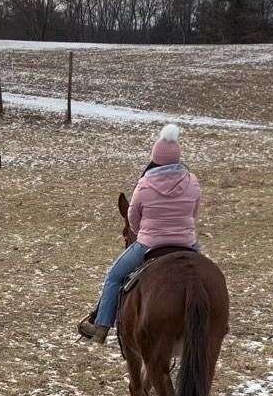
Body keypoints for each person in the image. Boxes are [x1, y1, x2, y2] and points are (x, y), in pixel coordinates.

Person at [81, 123, 201, 344]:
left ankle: (101, 326)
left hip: (149, 244)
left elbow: (133, 218)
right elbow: (194, 213)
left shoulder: (144, 185)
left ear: (155, 158)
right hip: (187, 244)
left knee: (114, 278)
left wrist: (143, 230)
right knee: (205, 277)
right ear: (177, 158)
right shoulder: (192, 181)